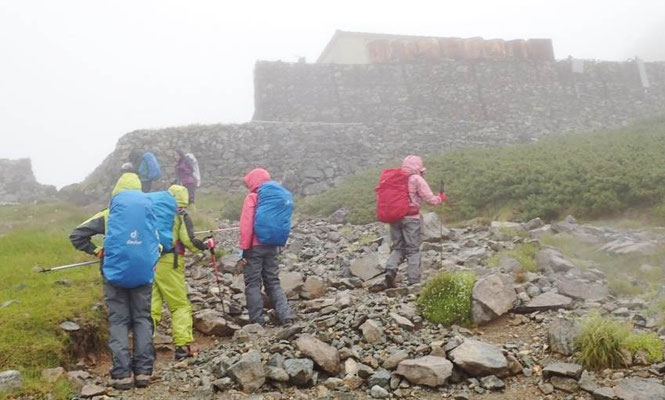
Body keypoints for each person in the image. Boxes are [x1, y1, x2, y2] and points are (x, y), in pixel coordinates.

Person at [69, 172, 156, 390]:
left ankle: (122, 376)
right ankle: (144, 373)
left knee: (119, 322)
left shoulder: (108, 215)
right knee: (142, 319)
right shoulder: (148, 213)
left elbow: (76, 235)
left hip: (114, 275)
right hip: (143, 275)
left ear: (117, 192)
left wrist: (97, 250)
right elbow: (161, 241)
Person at [151, 184, 213, 360]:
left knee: (152, 306)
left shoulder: (153, 211)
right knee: (179, 305)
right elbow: (188, 241)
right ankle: (182, 346)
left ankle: (144, 346)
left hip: (149, 262)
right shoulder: (179, 214)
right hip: (170, 262)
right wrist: (204, 246)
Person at [238, 168, 294, 326]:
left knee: (253, 283)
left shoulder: (253, 197)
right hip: (272, 245)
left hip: (254, 247)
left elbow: (246, 225)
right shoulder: (275, 197)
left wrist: (243, 249)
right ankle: (286, 317)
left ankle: (257, 322)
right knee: (273, 282)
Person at [384, 155, 446, 288]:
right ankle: (413, 281)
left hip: (394, 217)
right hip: (411, 219)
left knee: (398, 248)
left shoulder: (395, 178)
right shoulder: (416, 179)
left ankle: (390, 270)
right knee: (413, 249)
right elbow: (430, 199)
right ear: (418, 168)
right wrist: (440, 198)